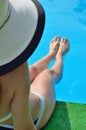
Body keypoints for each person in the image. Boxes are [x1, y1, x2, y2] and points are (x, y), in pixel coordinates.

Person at [0, 1, 70, 130]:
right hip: (33, 115)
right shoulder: (17, 71)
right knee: (47, 74)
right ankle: (59, 55)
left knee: (31, 69)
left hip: (7, 114)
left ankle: (50, 55)